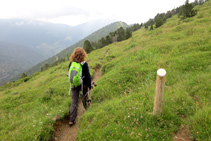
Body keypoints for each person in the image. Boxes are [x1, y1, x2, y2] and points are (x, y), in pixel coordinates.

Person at [68, 47, 92, 126]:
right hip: (83, 84)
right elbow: (88, 76)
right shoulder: (84, 64)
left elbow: (69, 73)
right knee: (84, 98)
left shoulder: (71, 63)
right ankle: (88, 111)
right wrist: (89, 85)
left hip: (74, 85)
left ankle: (71, 119)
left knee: (74, 101)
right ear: (83, 54)